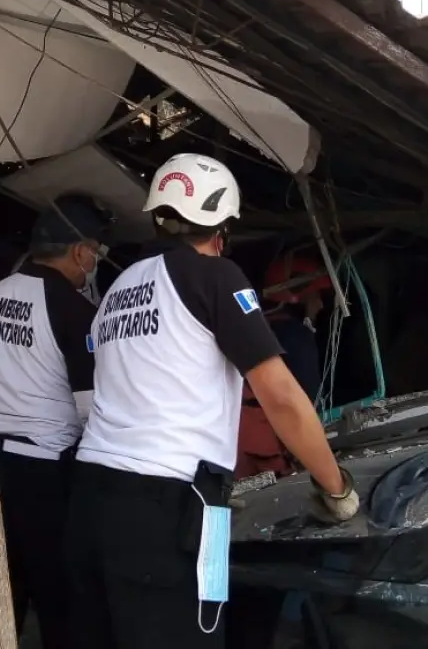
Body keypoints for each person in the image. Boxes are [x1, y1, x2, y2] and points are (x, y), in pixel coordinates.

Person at [66, 153, 358, 648]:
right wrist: (336, 488)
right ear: (222, 225)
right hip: (176, 500)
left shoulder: (120, 287)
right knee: (196, 633)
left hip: (93, 493)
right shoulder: (215, 277)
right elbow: (281, 397)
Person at [0, 193, 113, 649]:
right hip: (45, 471)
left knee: (2, 583)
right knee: (61, 592)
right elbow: (94, 410)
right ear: (81, 252)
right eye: (95, 254)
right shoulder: (75, 311)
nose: (93, 265)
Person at [235, 251, 335, 481]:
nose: (320, 305)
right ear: (295, 299)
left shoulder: (252, 336)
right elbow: (306, 408)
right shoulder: (296, 341)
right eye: (315, 297)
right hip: (269, 460)